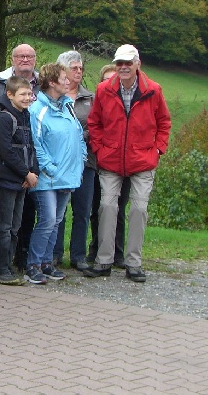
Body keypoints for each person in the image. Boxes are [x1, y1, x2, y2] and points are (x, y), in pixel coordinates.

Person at [87, 44, 171, 283]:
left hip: (143, 159)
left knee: (139, 209)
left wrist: (157, 149)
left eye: (127, 63)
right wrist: (100, 149)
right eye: (119, 63)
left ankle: (134, 263)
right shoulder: (104, 89)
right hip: (111, 159)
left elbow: (164, 122)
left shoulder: (153, 90)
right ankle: (104, 260)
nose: (123, 68)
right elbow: (95, 123)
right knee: (107, 207)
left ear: (137, 64)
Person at [24, 63, 85, 284]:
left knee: (57, 220)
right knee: (47, 219)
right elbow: (35, 143)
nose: (68, 81)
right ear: (52, 82)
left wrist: (82, 158)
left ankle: (47, 262)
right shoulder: (37, 110)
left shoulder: (67, 107)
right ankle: (33, 264)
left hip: (67, 175)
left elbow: (77, 135)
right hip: (48, 177)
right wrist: (49, 168)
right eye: (64, 78)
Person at [0, 76, 38, 285]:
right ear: (9, 94)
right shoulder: (4, 118)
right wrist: (25, 173)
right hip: (7, 180)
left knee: (15, 226)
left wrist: (32, 172)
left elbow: (32, 146)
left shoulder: (26, 116)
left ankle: (8, 264)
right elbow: (7, 150)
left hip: (22, 181)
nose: (27, 98)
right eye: (22, 94)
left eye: (29, 94)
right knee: (3, 225)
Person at [52, 51, 96, 271]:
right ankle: (55, 253)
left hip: (85, 162)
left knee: (82, 209)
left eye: (81, 68)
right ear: (64, 71)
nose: (79, 72)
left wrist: (78, 136)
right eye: (74, 68)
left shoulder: (90, 98)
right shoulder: (54, 97)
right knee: (58, 209)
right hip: (59, 162)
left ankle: (78, 255)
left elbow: (97, 126)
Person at [85, 63, 130, 271]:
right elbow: (94, 127)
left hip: (123, 163)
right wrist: (100, 149)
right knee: (99, 209)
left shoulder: (126, 104)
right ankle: (96, 249)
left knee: (118, 209)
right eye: (106, 79)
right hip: (97, 163)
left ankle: (117, 252)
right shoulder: (97, 102)